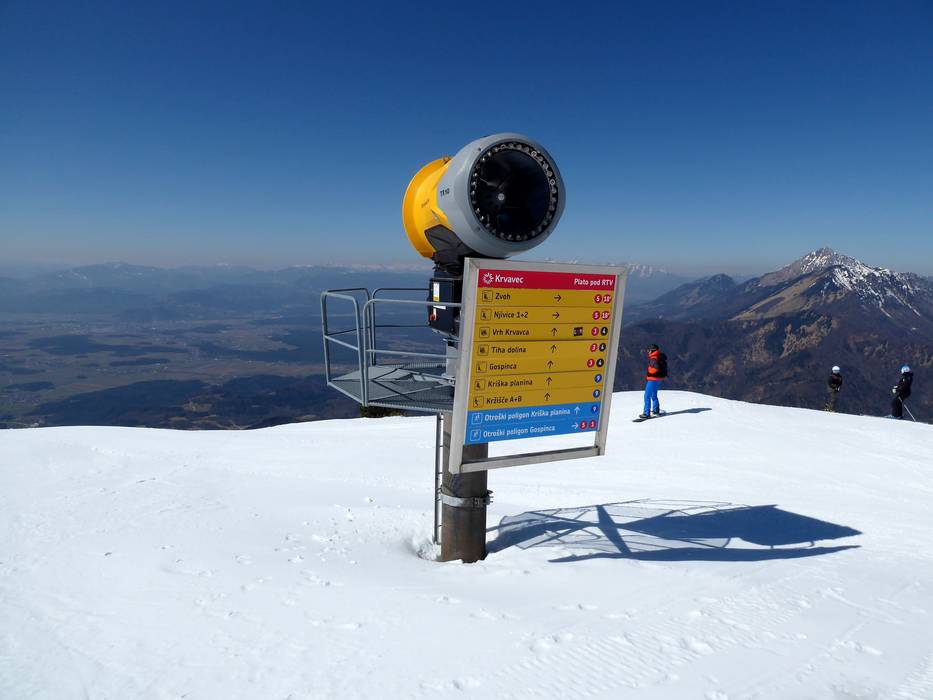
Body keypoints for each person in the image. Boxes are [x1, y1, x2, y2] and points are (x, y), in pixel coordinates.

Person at [639, 344, 666, 419]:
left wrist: (649, 370)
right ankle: (656, 410)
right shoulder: (658, 356)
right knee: (654, 395)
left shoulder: (653, 358)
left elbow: (655, 369)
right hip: (658, 379)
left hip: (653, 379)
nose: (648, 352)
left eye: (649, 350)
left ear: (652, 351)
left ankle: (646, 413)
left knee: (647, 396)